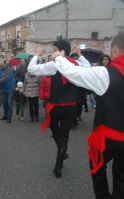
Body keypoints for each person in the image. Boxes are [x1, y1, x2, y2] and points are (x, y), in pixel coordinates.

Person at [48, 33, 124, 199]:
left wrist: (59, 58)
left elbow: (76, 73)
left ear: (115, 49)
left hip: (109, 137)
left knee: (97, 165)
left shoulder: (107, 74)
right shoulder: (106, 72)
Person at [27, 40, 90, 178]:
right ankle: (60, 159)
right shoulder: (76, 64)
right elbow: (88, 66)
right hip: (70, 107)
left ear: (62, 52)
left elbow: (31, 69)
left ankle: (59, 161)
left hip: (56, 107)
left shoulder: (54, 64)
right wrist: (79, 55)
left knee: (58, 134)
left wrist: (36, 55)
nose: (52, 52)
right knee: (63, 135)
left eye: (55, 49)